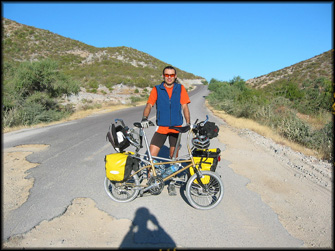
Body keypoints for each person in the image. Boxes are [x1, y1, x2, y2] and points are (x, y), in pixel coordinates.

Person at [141, 66, 191, 190]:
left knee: (174, 156)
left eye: (172, 75)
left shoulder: (180, 89)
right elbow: (149, 105)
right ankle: (150, 178)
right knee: (151, 156)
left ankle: (172, 181)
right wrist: (145, 118)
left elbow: (184, 107)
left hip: (176, 128)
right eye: (167, 75)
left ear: (175, 76)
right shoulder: (157, 89)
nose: (169, 77)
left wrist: (188, 123)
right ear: (163, 76)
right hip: (162, 127)